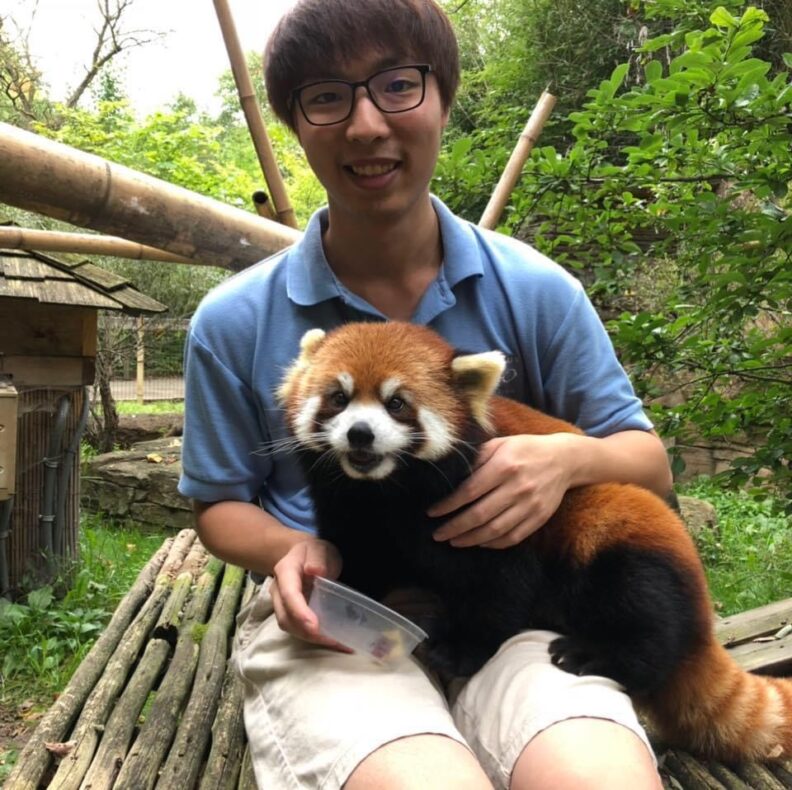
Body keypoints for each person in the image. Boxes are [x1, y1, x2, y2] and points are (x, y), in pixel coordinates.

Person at [178, 0, 672, 787]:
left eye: (397, 86)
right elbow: (217, 503)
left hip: (517, 611)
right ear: (294, 124)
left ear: (443, 97)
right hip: (339, 609)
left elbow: (647, 463)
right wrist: (292, 547)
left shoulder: (536, 290)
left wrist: (566, 462)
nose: (367, 125)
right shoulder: (234, 319)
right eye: (328, 97)